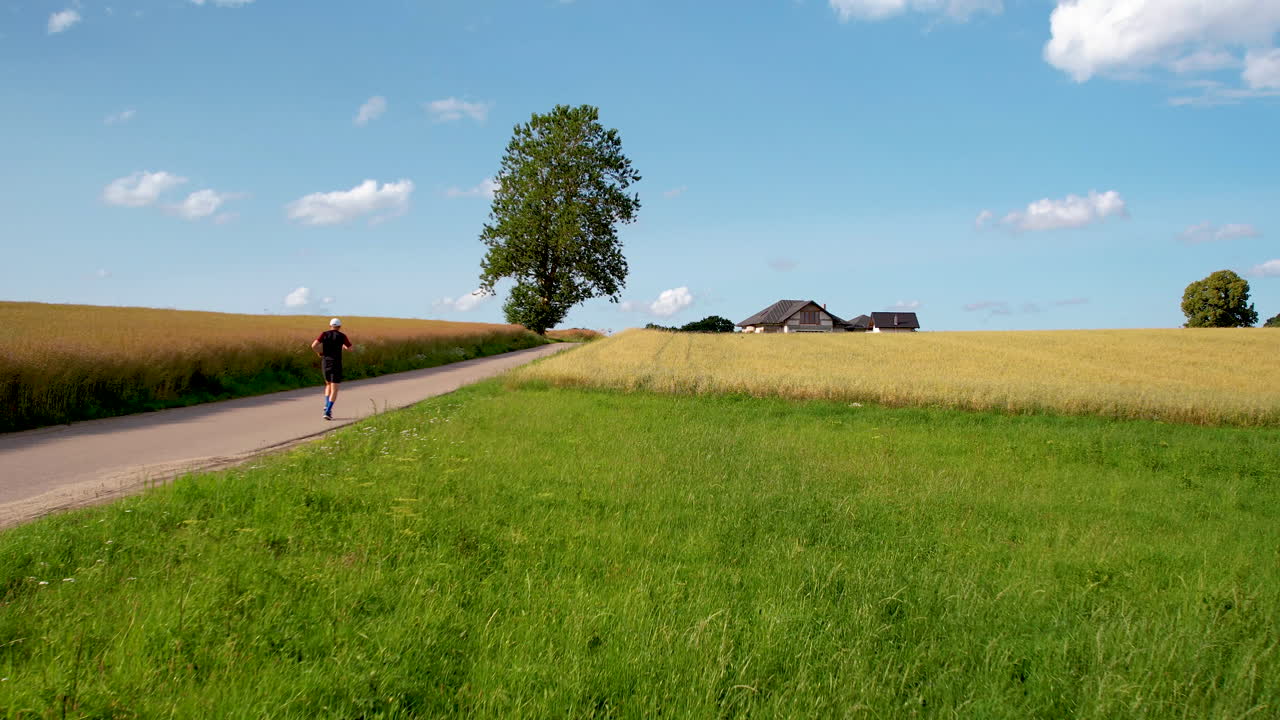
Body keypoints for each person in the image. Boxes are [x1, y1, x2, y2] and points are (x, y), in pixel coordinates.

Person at [311, 318, 352, 420]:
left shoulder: (324, 334)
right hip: (336, 364)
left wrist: (319, 352)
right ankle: (328, 411)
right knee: (335, 389)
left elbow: (313, 345)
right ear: (339, 327)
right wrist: (343, 346)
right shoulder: (342, 336)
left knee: (328, 384)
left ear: (330, 325)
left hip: (325, 362)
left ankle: (326, 404)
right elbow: (350, 348)